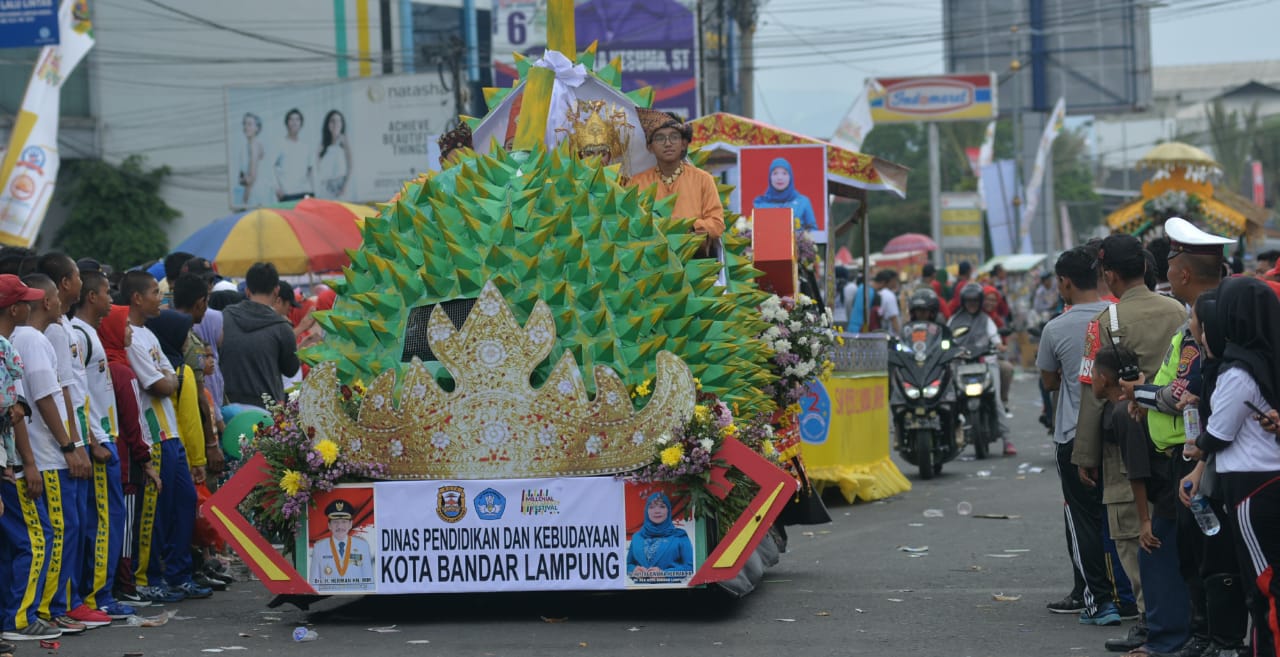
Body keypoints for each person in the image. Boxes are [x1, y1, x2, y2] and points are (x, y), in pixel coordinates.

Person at [1127, 217, 1242, 656]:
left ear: (1183, 272)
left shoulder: (1207, 321)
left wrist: (1137, 390)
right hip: (1194, 452)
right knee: (1196, 553)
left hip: (1200, 454)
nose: (1166, 270)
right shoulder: (1204, 314)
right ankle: (1205, 635)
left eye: (1171, 261)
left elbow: (1180, 395)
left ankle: (1216, 638)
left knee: (1209, 554)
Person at [1071, 233, 1187, 633]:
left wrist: (1084, 455)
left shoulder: (1106, 322)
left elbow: (1092, 392)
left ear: (1110, 274)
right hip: (1175, 438)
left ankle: (1151, 621)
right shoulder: (1178, 310)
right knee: (1170, 529)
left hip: (1125, 443)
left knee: (1131, 533)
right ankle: (1178, 618)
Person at [1191, 277, 1280, 657]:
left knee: (1263, 587)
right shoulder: (1267, 358)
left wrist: (1197, 446)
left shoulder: (1236, 371)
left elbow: (1217, 434)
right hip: (1266, 480)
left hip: (1249, 487)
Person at [1036, 247, 1122, 625]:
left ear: (1065, 283)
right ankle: (1128, 596)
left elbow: (1050, 381)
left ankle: (1097, 600)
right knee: (1120, 516)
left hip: (1072, 434)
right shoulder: (1117, 316)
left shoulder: (1055, 328)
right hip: (1120, 432)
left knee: (1082, 519)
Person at [11, 274, 99, 635]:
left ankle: (46, 609)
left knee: (59, 533)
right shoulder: (31, 338)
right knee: (54, 534)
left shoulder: (29, 337)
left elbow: (61, 393)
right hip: (45, 456)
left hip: (47, 453)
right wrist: (69, 447)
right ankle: (38, 611)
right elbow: (46, 397)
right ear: (46, 301)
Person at [1094, 343, 1192, 654]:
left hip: (1167, 488)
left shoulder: (1124, 411)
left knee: (1153, 556)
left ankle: (1162, 634)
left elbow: (1136, 471)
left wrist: (1145, 521)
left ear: (1103, 378)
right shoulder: (1128, 406)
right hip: (1170, 483)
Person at [120, 271, 211, 603]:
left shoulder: (149, 334)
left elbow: (171, 380)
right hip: (153, 435)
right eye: (155, 294)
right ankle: (147, 578)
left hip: (171, 434)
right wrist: (168, 378)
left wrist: (168, 378)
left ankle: (178, 574)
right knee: (154, 514)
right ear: (137, 298)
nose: (161, 299)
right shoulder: (130, 336)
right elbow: (161, 384)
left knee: (184, 503)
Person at [0, 275, 65, 643]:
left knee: (14, 544)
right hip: (10, 463)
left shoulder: (11, 342)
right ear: (15, 308)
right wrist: (27, 461)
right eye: (26, 300)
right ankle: (19, 617)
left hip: (9, 461)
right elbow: (14, 412)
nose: (33, 305)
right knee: (35, 539)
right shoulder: (5, 347)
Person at [68, 269, 135, 619]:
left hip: (105, 436)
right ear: (91, 297)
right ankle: (96, 595)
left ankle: (101, 592)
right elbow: (75, 395)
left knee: (109, 518)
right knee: (102, 522)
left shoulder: (89, 333)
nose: (112, 299)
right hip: (96, 440)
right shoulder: (78, 335)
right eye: (107, 292)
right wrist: (91, 440)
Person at [96, 304, 160, 609]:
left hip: (114, 459)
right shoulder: (122, 371)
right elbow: (133, 422)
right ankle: (125, 584)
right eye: (124, 325)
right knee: (125, 527)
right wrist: (145, 459)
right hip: (126, 463)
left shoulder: (105, 366)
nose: (130, 331)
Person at [626, 113, 724, 253]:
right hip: (650, 264)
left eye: (674, 137)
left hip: (694, 261)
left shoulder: (703, 180)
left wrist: (687, 225)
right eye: (660, 138)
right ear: (650, 146)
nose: (668, 143)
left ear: (683, 144)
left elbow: (717, 224)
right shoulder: (635, 184)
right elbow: (627, 225)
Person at [219, 263, 300, 407]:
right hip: (267, 412)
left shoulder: (225, 317)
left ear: (248, 291)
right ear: (276, 291)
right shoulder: (282, 328)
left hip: (228, 407)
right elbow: (290, 370)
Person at [948, 283, 1013, 456]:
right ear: (963, 301)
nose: (972, 304)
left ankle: (1007, 440)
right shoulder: (954, 320)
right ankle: (950, 439)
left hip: (986, 362)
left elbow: (994, 336)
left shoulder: (986, 320)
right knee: (949, 400)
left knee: (997, 401)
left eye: (975, 301)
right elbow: (947, 339)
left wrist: (999, 345)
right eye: (968, 301)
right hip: (961, 365)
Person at [309, 498, 374, 591]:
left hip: (356, 596)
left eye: (344, 522)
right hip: (328, 598)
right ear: (329, 525)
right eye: (335, 522)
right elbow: (314, 581)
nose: (340, 526)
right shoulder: (319, 547)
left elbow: (369, 579)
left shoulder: (362, 545)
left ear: (350, 524)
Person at [626, 492, 694, 582]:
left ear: (668, 510)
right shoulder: (637, 537)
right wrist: (633, 570)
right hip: (639, 590)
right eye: (652, 507)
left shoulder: (679, 536)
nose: (657, 511)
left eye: (662, 506)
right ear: (647, 511)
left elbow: (691, 567)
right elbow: (628, 564)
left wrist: (665, 575)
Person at [751, 157, 818, 231]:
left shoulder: (803, 202)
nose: (780, 177)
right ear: (770, 177)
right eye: (775, 173)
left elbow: (814, 232)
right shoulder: (761, 204)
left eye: (784, 173)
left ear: (790, 177)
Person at [273, 108, 314, 202]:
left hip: (304, 192)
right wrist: (277, 189)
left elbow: (310, 171)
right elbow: (271, 168)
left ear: (301, 124)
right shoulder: (280, 144)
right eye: (291, 119)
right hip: (287, 193)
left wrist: (313, 190)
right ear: (287, 123)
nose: (294, 122)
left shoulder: (305, 146)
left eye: (297, 119)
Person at [236, 112, 271, 208]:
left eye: (250, 124)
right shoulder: (247, 147)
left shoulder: (254, 145)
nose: (246, 127)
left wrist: (244, 202)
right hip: (254, 192)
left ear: (257, 128)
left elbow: (251, 179)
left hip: (256, 194)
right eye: (245, 124)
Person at [316, 109, 351, 200]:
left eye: (338, 121)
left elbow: (350, 166)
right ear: (328, 124)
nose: (335, 124)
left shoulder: (343, 141)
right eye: (332, 121)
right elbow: (318, 168)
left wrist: (345, 186)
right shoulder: (323, 145)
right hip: (325, 188)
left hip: (339, 187)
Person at [872, 270, 901, 334]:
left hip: (877, 333)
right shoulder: (889, 295)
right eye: (895, 280)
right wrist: (899, 335)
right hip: (889, 334)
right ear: (890, 281)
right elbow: (894, 318)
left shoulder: (877, 293)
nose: (896, 283)